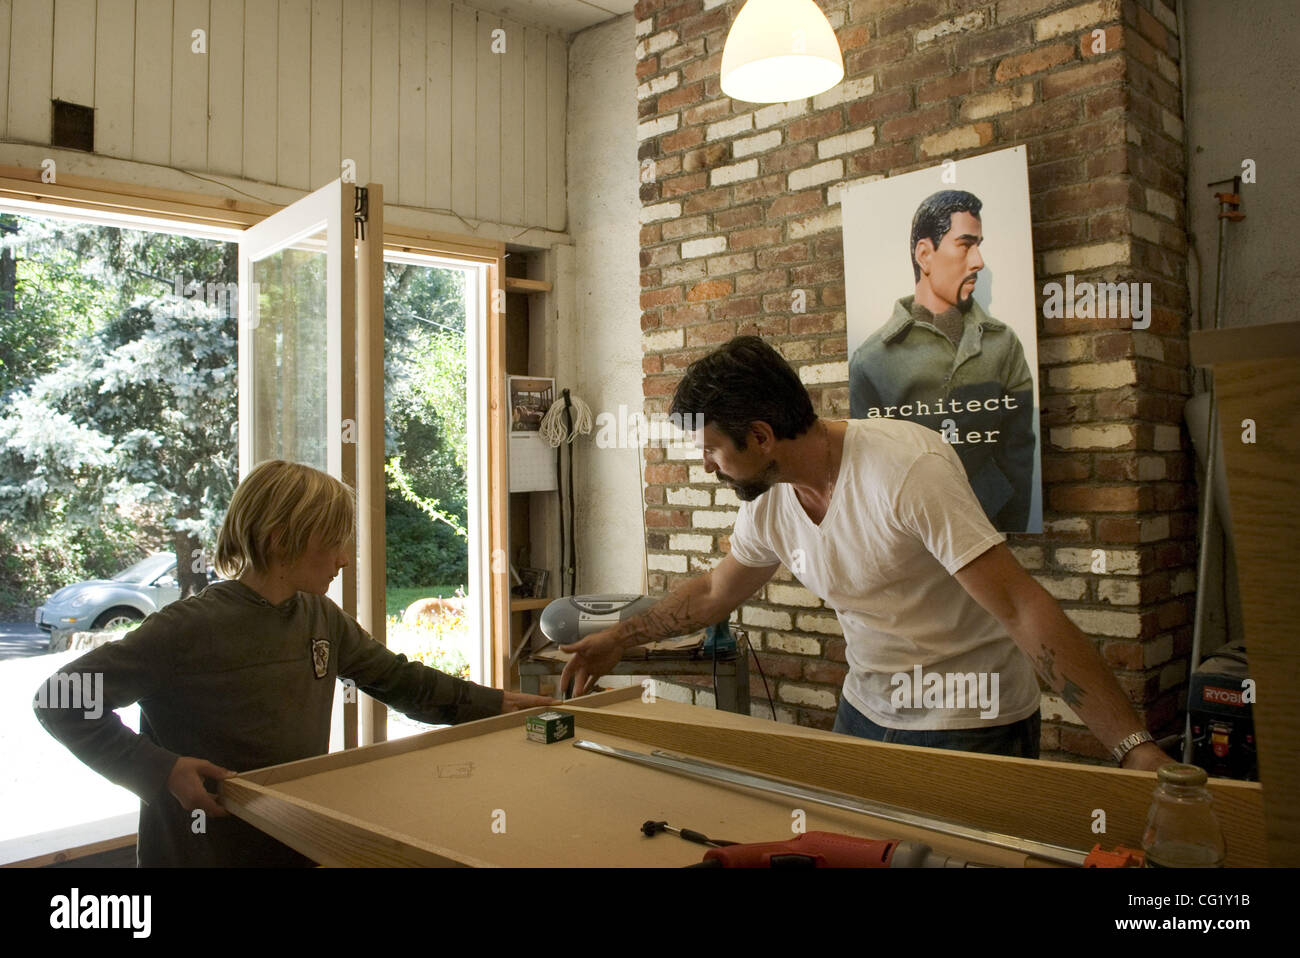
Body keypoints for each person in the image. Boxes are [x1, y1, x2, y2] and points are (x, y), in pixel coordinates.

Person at [561, 337, 1172, 772]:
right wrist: (621, 638)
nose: (706, 465)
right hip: (867, 710)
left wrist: (1133, 745)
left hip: (970, 719)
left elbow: (1021, 608)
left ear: (761, 436)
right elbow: (716, 591)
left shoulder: (908, 470)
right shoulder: (769, 502)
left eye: (714, 449)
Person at [34, 460, 552, 866]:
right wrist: (159, 768)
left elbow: (401, 681)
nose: (345, 558)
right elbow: (57, 700)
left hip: (291, 843)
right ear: (283, 540)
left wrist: (497, 704)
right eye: (333, 542)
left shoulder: (320, 617)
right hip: (199, 855)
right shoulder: (186, 628)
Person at [849, 189, 1036, 531]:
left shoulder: (1003, 344)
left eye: (979, 245)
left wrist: (1012, 530)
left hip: (991, 528)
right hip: (910, 537)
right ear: (925, 254)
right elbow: (869, 472)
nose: (978, 260)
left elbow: (1019, 454)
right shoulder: (872, 360)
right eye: (966, 245)